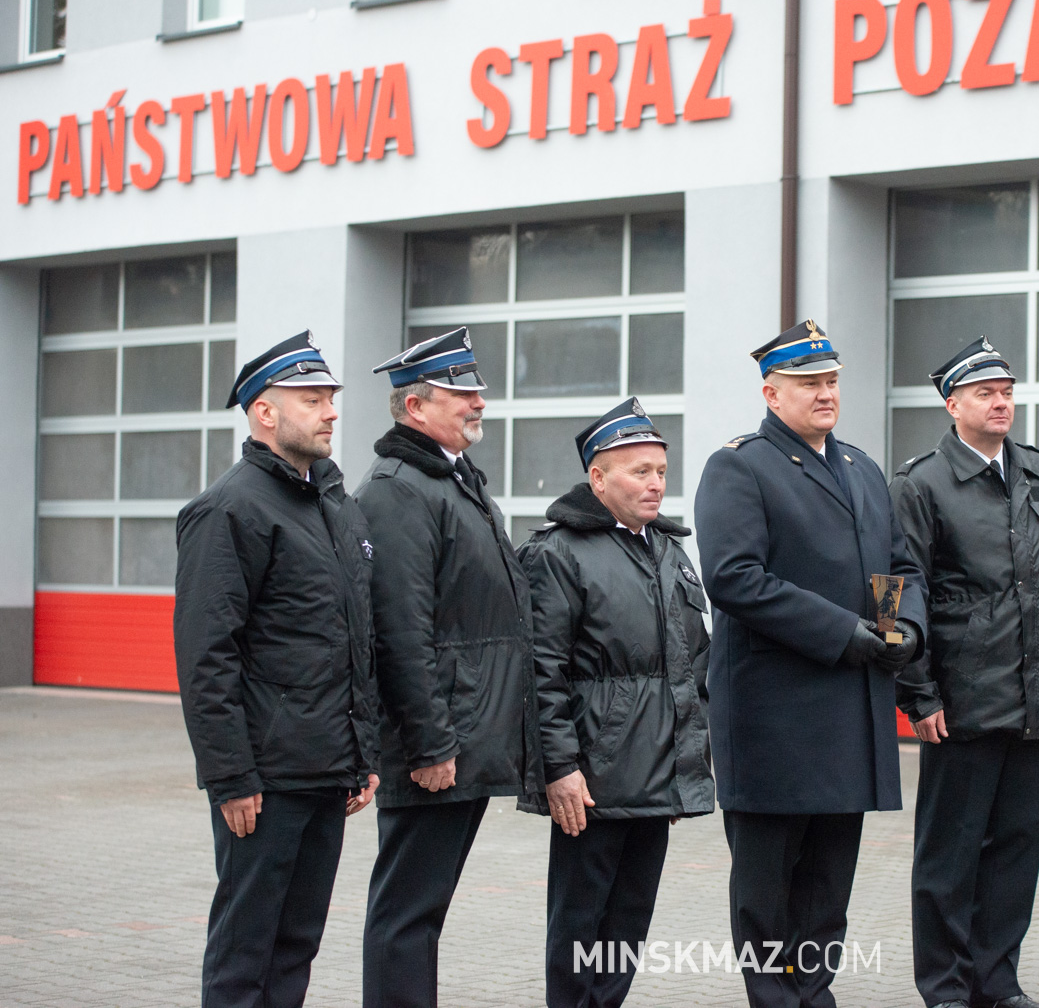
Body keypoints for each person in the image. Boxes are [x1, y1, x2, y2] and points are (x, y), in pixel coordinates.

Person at [694, 319, 927, 1008]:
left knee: (828, 887)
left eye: (831, 381)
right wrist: (844, 633)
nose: (826, 393)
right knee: (766, 891)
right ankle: (774, 998)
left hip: (849, 717)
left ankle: (814, 994)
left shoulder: (860, 467)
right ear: (771, 393)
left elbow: (896, 568)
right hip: (776, 721)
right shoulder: (739, 467)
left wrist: (900, 629)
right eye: (808, 384)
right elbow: (735, 578)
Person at [173, 330, 380, 1008]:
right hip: (264, 782)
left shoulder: (333, 507)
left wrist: (362, 754)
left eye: (330, 399)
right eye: (311, 399)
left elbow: (352, 639)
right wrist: (230, 776)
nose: (330, 412)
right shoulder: (228, 510)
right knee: (246, 952)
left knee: (295, 946)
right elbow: (207, 658)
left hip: (326, 770)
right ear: (265, 412)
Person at [891, 338, 1039, 1008]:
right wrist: (917, 692)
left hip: (1033, 699)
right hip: (961, 703)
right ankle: (946, 986)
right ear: (953, 405)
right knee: (949, 855)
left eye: (1007, 392)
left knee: (1015, 850)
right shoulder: (920, 484)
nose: (1001, 403)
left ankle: (997, 981)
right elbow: (894, 590)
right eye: (985, 393)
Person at [355, 327, 540, 1008]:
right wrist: (431, 744)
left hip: (464, 737)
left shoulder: (451, 480)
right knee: (406, 914)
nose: (478, 403)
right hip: (437, 748)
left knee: (422, 911)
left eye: (477, 392)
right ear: (415, 407)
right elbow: (400, 631)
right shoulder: (398, 491)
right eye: (461, 394)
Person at [517, 398, 714, 1008]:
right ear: (598, 479)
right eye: (639, 471)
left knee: (628, 925)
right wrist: (560, 768)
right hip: (593, 782)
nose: (655, 483)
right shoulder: (558, 554)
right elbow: (541, 672)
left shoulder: (669, 550)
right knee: (579, 925)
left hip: (654, 777)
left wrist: (683, 765)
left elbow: (691, 665)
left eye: (661, 471)